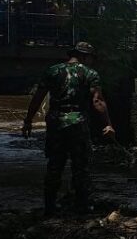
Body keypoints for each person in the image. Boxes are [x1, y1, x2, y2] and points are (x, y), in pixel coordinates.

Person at [22, 42, 115, 216]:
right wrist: (108, 124)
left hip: (56, 122)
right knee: (81, 166)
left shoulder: (53, 71)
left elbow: (38, 97)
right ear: (85, 56)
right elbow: (97, 101)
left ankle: (49, 206)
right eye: (91, 58)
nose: (92, 61)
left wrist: (28, 120)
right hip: (78, 122)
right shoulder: (89, 73)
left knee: (54, 165)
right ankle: (82, 206)